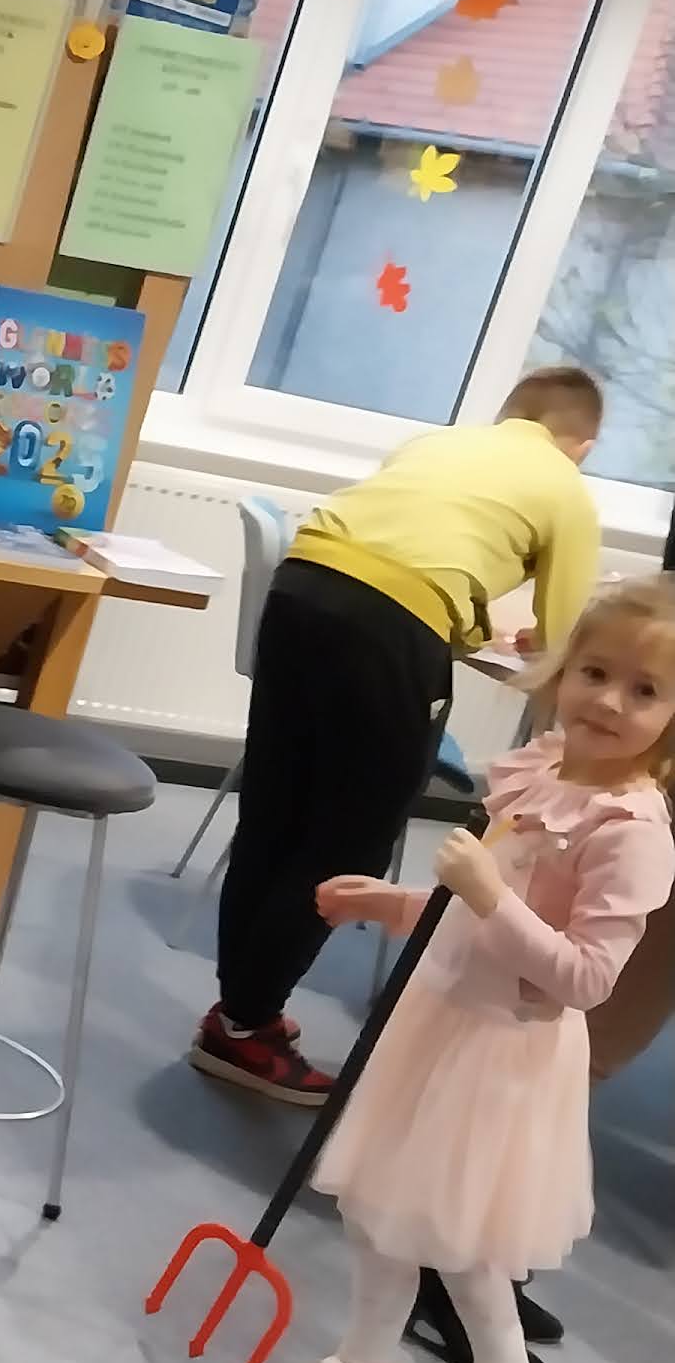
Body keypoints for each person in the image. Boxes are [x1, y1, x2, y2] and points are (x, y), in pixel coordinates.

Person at [252, 576, 675, 1363]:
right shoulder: (545, 772)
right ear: (562, 670)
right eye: (595, 672)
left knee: (394, 1209)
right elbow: (474, 912)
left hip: (499, 1050)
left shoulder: (631, 832)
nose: (607, 701)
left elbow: (584, 979)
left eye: (644, 690)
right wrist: (397, 904)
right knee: (445, 1222)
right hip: (445, 1016)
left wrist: (484, 894)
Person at [192, 369, 605, 1107]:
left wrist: (467, 624)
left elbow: (410, 558)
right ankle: (242, 1027)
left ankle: (239, 1008)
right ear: (582, 445)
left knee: (274, 812)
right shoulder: (565, 487)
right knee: (348, 840)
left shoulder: (436, 444)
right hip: (387, 629)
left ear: (508, 417)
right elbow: (573, 639)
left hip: (301, 587)